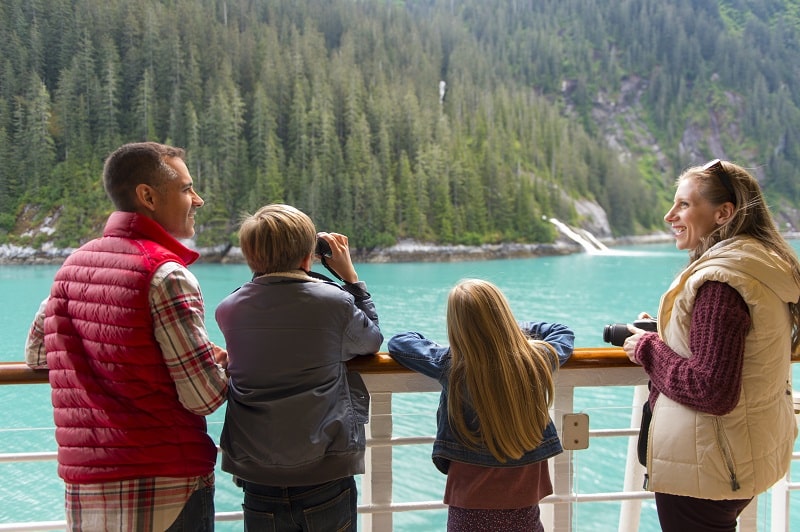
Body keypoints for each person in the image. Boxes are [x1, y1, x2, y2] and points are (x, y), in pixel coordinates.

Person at [24, 142, 229, 531]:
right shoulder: (166, 274)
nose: (198, 199)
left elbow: (37, 355)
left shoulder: (73, 265)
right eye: (187, 188)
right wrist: (222, 363)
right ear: (148, 196)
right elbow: (204, 396)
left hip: (87, 491)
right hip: (166, 484)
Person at [622, 159, 800, 531]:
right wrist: (668, 332)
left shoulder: (721, 283)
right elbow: (737, 342)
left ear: (723, 213)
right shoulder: (758, 265)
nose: (670, 215)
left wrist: (648, 348)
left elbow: (711, 388)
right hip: (735, 455)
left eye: (684, 204)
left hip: (706, 467)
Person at [215, 203, 383, 532]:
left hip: (257, 474)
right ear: (309, 256)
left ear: (250, 257)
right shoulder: (334, 303)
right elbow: (370, 341)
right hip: (324, 471)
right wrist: (351, 280)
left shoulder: (229, 310)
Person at [387, 279, 574, 532]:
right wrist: (513, 329)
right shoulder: (535, 360)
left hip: (469, 508)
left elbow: (400, 342)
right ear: (504, 316)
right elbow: (563, 333)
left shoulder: (451, 364)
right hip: (524, 508)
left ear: (458, 327)